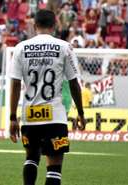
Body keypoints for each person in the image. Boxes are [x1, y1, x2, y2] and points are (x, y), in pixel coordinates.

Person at [9, 10, 86, 185]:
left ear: (34, 25)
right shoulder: (64, 47)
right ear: (55, 25)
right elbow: (74, 83)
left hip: (29, 114)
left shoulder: (21, 47)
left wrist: (13, 117)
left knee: (31, 157)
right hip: (55, 116)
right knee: (54, 167)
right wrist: (80, 112)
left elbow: (14, 84)